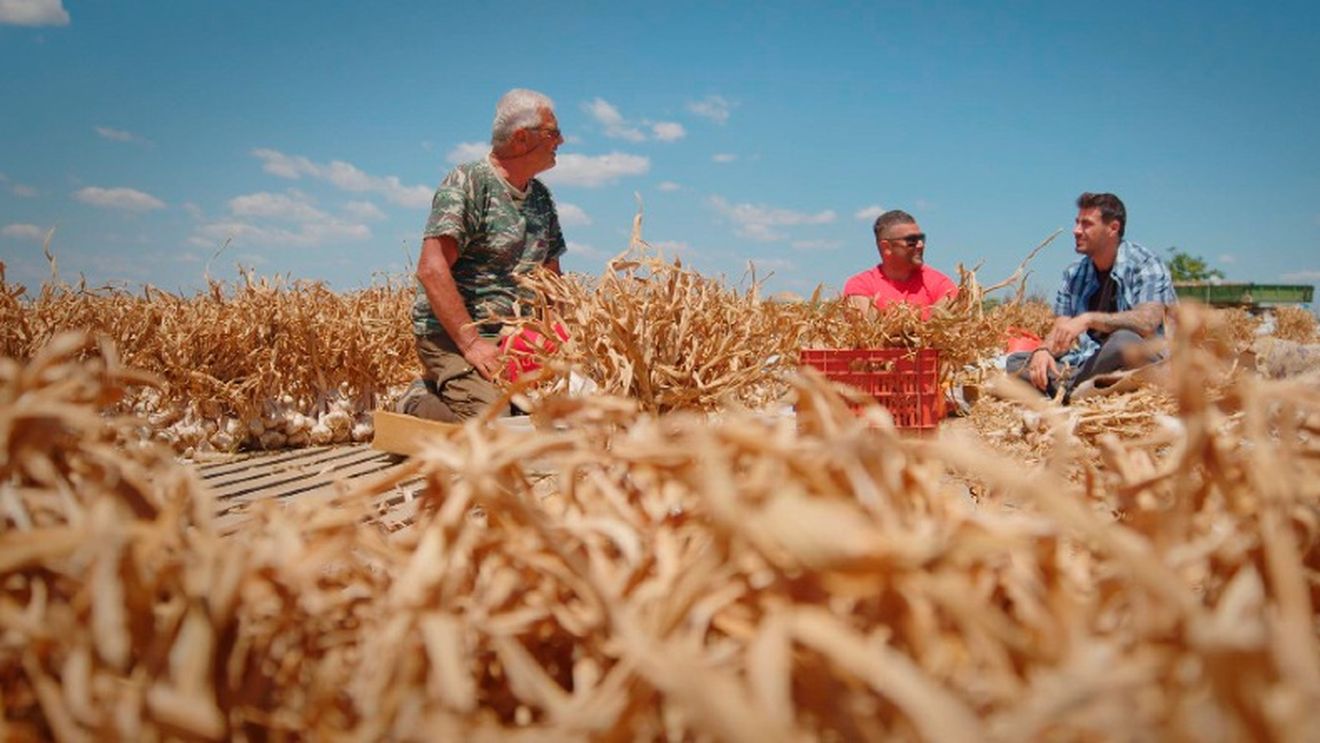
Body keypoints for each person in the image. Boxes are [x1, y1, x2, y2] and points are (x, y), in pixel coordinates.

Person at [396, 88, 567, 422]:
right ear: (521, 138)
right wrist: (472, 344)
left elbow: (552, 281)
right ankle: (417, 400)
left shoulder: (542, 199)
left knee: (569, 411)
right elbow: (432, 269)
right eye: (553, 133)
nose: (561, 141)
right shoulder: (468, 183)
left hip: (516, 342)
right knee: (496, 422)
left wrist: (559, 343)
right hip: (454, 338)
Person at [1007, 192, 1177, 400]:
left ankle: (1064, 389)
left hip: (1146, 358)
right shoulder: (1073, 275)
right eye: (1077, 223)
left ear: (1113, 228)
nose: (1076, 230)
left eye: (1086, 224)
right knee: (1016, 362)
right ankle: (1083, 387)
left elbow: (1147, 322)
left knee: (1124, 341)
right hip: (1094, 361)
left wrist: (1088, 319)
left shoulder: (1145, 264)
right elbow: (1060, 332)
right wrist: (1044, 351)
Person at [843, 209, 957, 316]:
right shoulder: (861, 285)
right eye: (912, 241)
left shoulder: (941, 284)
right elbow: (869, 332)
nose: (921, 245)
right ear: (886, 247)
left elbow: (942, 329)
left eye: (921, 239)